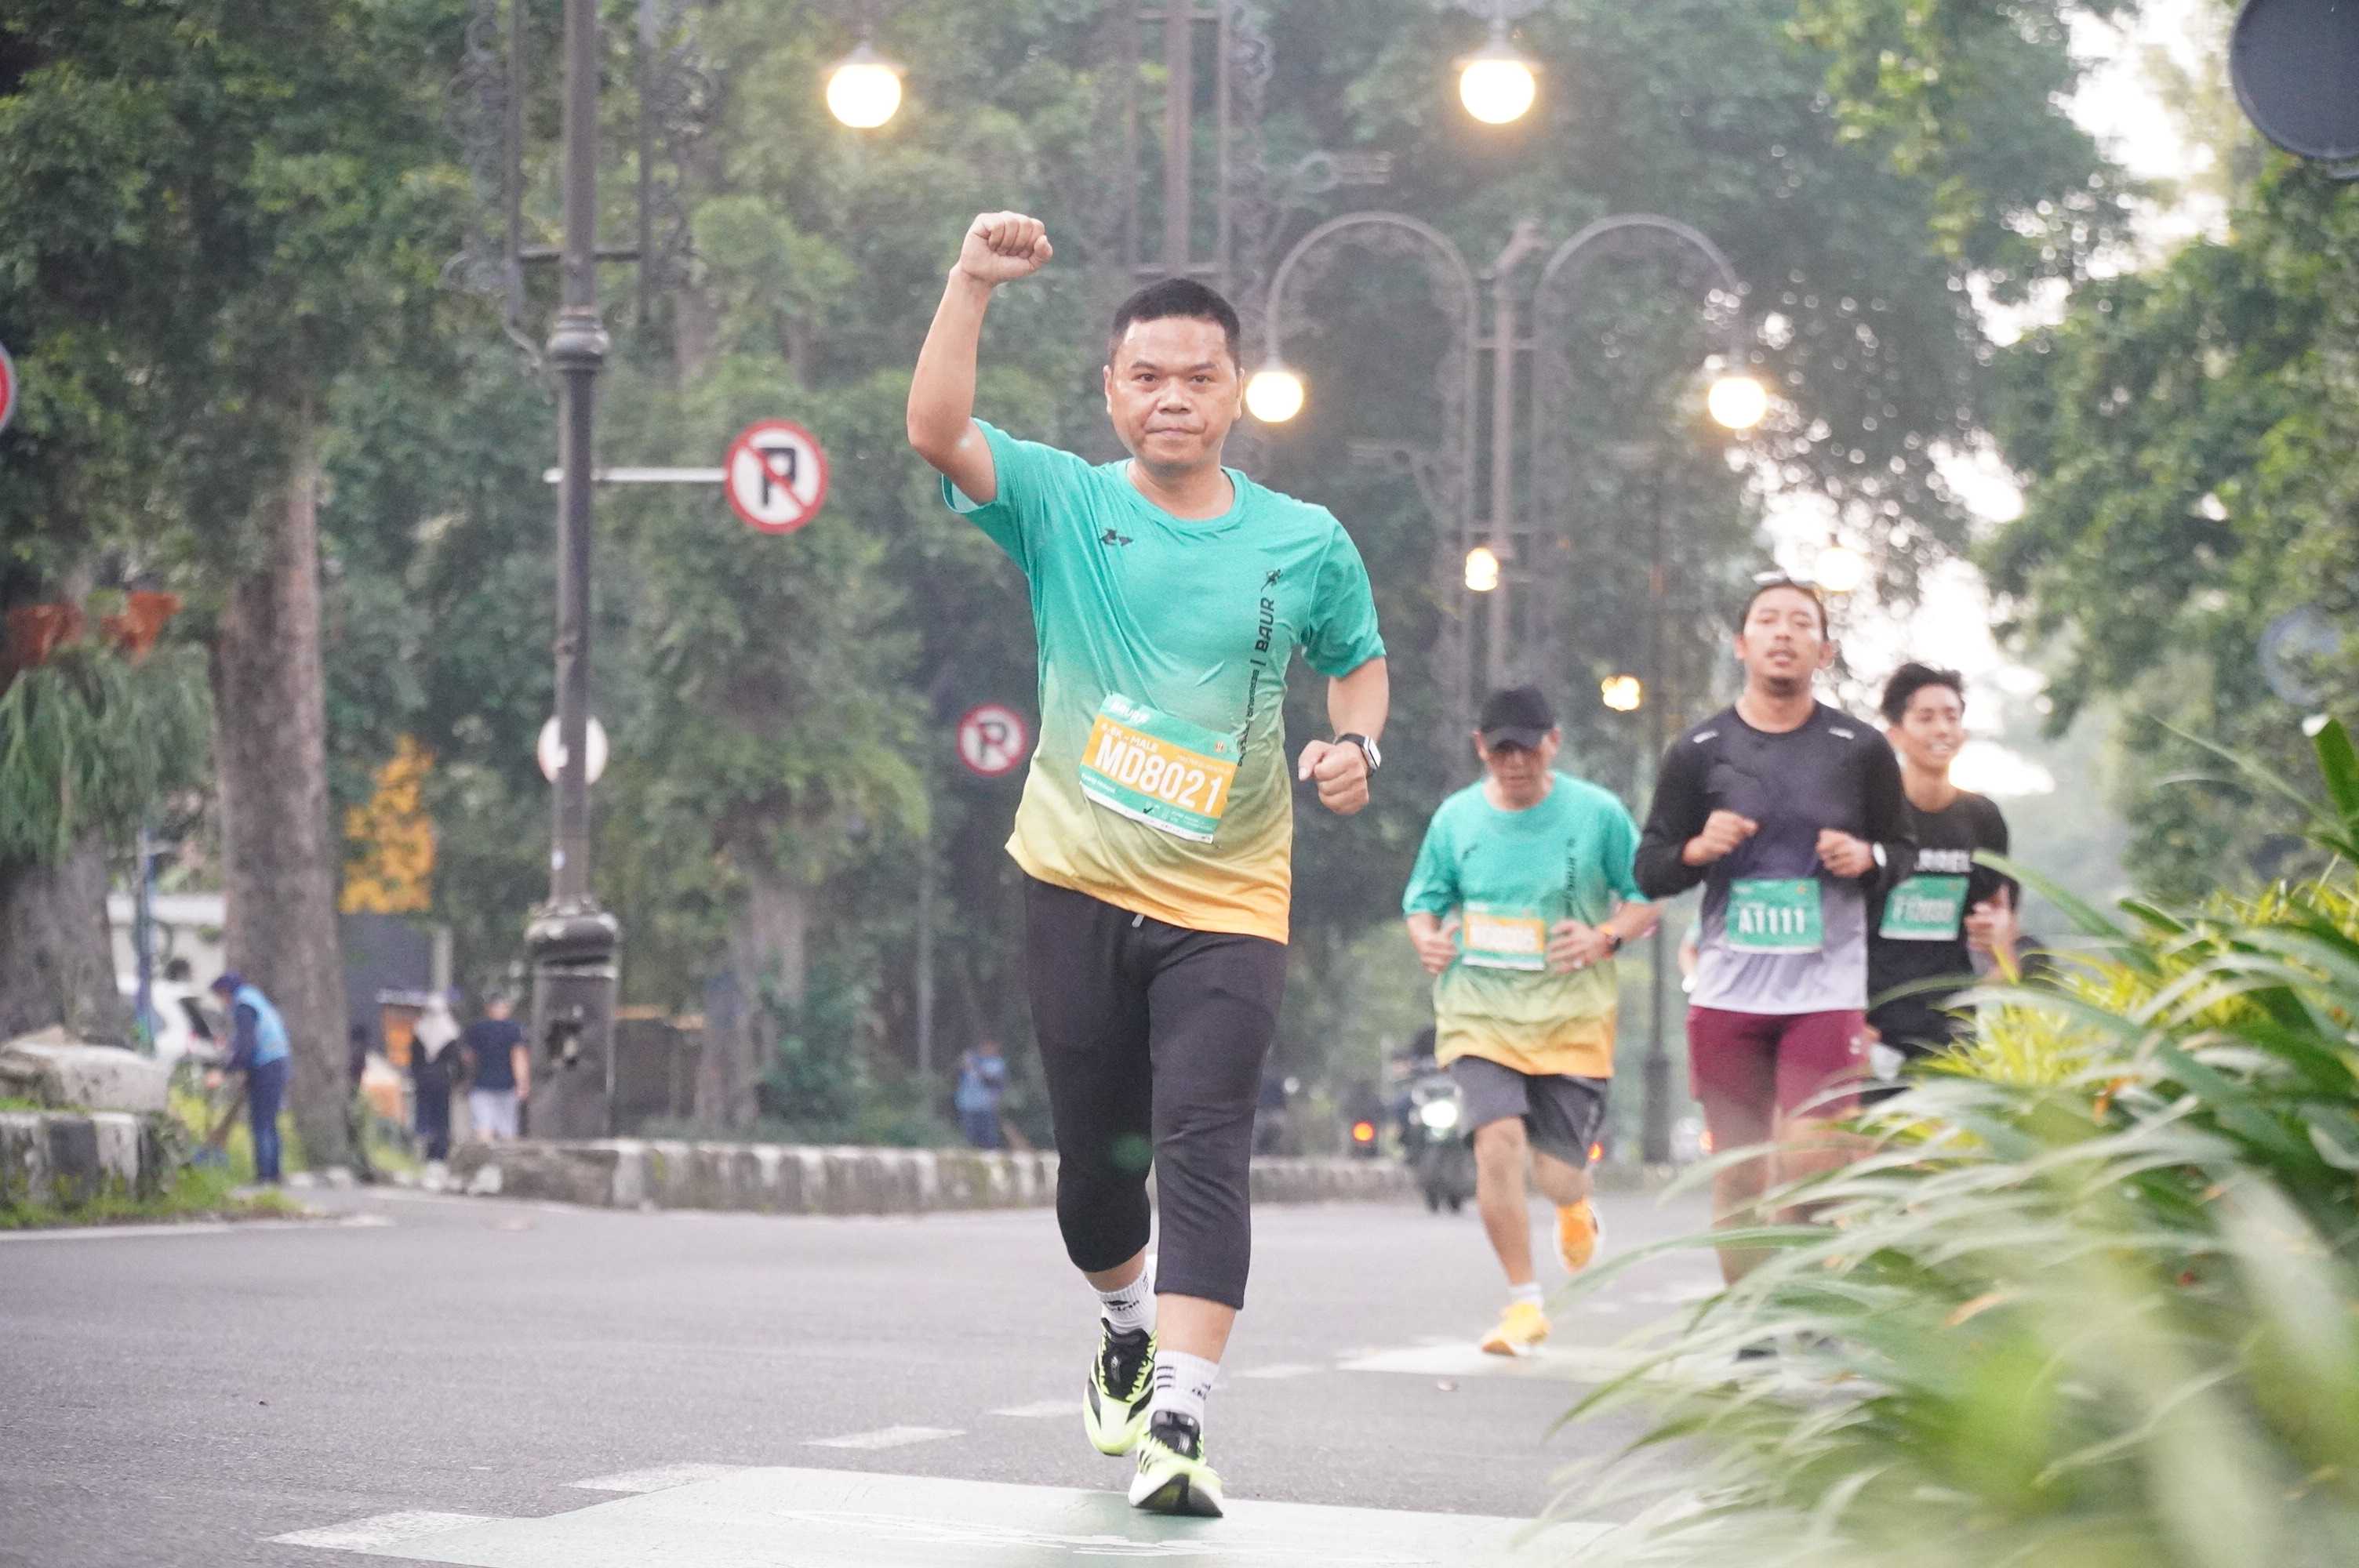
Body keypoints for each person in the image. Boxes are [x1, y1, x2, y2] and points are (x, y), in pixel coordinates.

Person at [907, 211, 1389, 1517]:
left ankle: (1178, 1421)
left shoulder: (1303, 540)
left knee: (1205, 1145)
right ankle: (1123, 1327)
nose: (1173, 396)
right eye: (1147, 376)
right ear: (1112, 390)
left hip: (1231, 895)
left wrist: (1356, 747)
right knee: (1095, 1169)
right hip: (1073, 879)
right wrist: (970, 281)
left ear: (1236, 391)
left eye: (1198, 376)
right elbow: (936, 430)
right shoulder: (1062, 503)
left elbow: (1356, 665)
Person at [1634, 578, 1914, 1293]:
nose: (1783, 633)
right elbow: (1650, 868)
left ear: (1825, 650)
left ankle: (1804, 1303)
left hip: (1826, 990)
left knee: (1815, 1160)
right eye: (1767, 621)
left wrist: (1869, 858)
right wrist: (1697, 849)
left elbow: (1904, 853)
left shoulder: (1861, 750)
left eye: (1800, 623)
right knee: (1743, 1170)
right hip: (1730, 993)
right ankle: (1754, 1327)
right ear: (1742, 644)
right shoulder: (1699, 749)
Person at [1402, 685, 1658, 1356]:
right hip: (1478, 1011)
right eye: (1500, 750)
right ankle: (1524, 1304)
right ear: (1480, 748)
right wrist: (1427, 939)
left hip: (1572, 1020)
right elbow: (1423, 901)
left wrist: (1605, 937)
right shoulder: (1457, 819)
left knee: (1558, 1176)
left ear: (1554, 743)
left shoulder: (1598, 815)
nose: (1514, 762)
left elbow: (1646, 898)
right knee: (1496, 1140)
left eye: (1527, 748)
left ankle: (1575, 1206)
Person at [1866, 662, 2016, 1080]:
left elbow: (2003, 917)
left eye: (1952, 717)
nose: (1942, 729)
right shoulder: (1870, 815)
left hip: (1953, 1026)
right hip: (1873, 1027)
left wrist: (1997, 948)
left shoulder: (1983, 818)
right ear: (1895, 734)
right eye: (1926, 718)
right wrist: (1846, 1021)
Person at [207, 972, 292, 1184]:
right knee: (269, 1120)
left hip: (266, 1065)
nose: (222, 1003)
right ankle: (274, 1173)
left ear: (226, 992)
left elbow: (246, 1046)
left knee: (261, 1122)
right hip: (277, 1061)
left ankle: (264, 1175)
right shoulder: (255, 998)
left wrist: (225, 1072)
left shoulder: (244, 1007)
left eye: (220, 997)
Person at [460, 994, 529, 1142]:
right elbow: (518, 1058)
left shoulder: (475, 1029)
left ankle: (484, 1156)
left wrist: (467, 1080)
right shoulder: (514, 1030)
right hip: (507, 1086)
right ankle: (508, 1157)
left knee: (483, 1128)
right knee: (507, 1129)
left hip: (481, 1085)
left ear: (488, 1009)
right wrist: (522, 1084)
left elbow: (468, 1058)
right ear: (506, 1009)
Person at [410, 996, 462, 1163]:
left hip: (423, 1079)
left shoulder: (420, 1031)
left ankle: (422, 1149)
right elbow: (457, 1060)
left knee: (424, 1114)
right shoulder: (451, 1032)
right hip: (442, 1079)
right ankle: (440, 1150)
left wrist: (416, 1075)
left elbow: (414, 1059)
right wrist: (458, 1079)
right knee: (441, 1116)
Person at [954, 1038, 1010, 1149]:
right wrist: (963, 1063)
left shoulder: (997, 1063)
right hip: (967, 1105)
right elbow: (956, 1075)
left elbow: (993, 1081)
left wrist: (975, 1066)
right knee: (970, 1137)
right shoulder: (971, 1061)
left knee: (989, 1138)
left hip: (986, 1106)